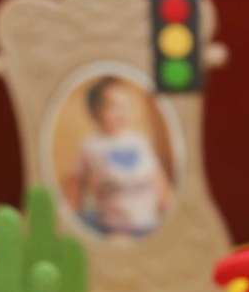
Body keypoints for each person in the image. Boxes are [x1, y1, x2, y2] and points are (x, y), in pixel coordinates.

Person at [65, 76, 172, 238]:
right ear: (96, 112)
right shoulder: (91, 146)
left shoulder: (139, 142)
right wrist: (70, 212)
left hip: (148, 222)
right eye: (114, 106)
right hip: (113, 227)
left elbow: (157, 179)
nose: (123, 112)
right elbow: (76, 182)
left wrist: (169, 208)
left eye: (128, 105)